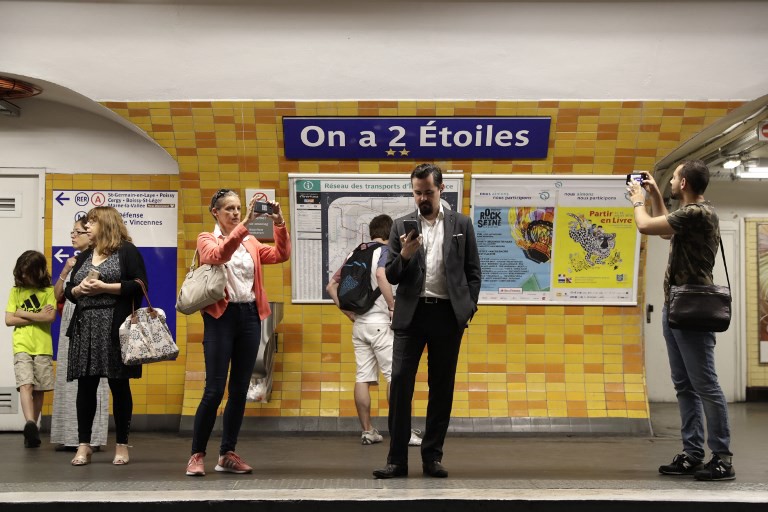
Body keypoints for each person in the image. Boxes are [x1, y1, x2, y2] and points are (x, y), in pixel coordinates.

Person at [373, 163, 481, 479]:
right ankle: (396, 461)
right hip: (411, 315)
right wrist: (405, 255)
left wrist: (467, 309)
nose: (423, 198)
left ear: (441, 189)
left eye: (428, 192)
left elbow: (473, 271)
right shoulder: (400, 226)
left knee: (441, 389)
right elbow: (390, 274)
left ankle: (432, 457)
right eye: (417, 192)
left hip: (447, 316)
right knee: (401, 386)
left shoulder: (461, 224)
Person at [628, 160, 735, 481]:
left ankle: (722, 457)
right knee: (685, 385)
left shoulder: (697, 213)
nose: (671, 182)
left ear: (684, 182)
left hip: (692, 308)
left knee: (705, 384)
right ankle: (692, 453)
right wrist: (655, 196)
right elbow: (664, 230)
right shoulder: (688, 215)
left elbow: (646, 227)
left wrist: (637, 200)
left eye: (673, 178)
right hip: (675, 306)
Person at [186, 189, 290, 477]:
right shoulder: (207, 239)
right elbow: (219, 256)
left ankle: (227, 454)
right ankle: (197, 454)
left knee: (239, 390)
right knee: (214, 389)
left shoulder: (251, 242)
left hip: (249, 317)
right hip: (221, 317)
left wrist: (280, 224)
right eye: (228, 209)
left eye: (237, 208)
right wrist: (245, 223)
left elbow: (281, 254)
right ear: (215, 213)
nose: (234, 213)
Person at [327, 214, 422, 447]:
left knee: (362, 378)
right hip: (381, 324)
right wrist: (392, 306)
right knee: (396, 378)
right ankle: (404, 432)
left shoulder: (354, 253)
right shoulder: (386, 251)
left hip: (360, 325)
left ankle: (368, 431)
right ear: (390, 234)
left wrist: (349, 313)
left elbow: (332, 286)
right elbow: (381, 275)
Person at [64, 206, 148, 466]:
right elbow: (68, 291)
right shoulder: (85, 254)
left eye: (92, 222)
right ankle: (83, 444)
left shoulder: (126, 250)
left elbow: (140, 284)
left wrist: (104, 287)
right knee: (85, 386)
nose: (87, 227)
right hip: (85, 326)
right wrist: (78, 290)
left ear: (107, 223)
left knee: (119, 385)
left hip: (114, 325)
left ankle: (122, 444)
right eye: (87, 223)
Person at [50, 218, 109, 452]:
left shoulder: (99, 260)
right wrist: (65, 270)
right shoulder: (74, 261)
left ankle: (91, 437)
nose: (73, 236)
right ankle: (69, 434)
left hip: (91, 318)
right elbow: (57, 295)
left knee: (92, 377)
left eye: (78, 232)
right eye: (72, 231)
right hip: (70, 319)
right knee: (68, 374)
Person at [5, 250, 57, 448]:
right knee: (25, 384)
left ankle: (31, 431)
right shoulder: (16, 292)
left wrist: (23, 312)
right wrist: (37, 315)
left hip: (43, 346)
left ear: (38, 271)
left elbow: (49, 318)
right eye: (21, 272)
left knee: (40, 389)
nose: (23, 276)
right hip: (22, 345)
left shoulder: (48, 291)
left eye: (27, 272)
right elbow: (9, 320)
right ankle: (30, 423)